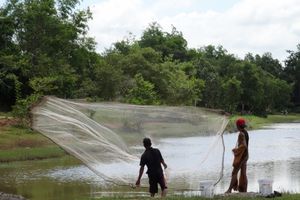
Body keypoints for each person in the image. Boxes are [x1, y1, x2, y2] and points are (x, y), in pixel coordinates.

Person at [225, 118, 249, 193]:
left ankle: (229, 190)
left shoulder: (241, 134)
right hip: (246, 155)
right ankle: (243, 190)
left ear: (238, 126)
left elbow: (244, 145)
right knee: (243, 173)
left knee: (234, 172)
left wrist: (236, 150)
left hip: (242, 156)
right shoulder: (245, 132)